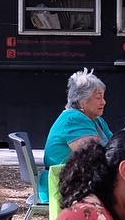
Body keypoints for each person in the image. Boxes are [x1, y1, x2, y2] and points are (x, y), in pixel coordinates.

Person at [42, 69, 114, 200]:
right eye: (98, 97)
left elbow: (114, 144)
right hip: (62, 187)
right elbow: (93, 157)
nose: (104, 102)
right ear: (82, 100)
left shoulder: (96, 119)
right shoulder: (74, 119)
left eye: (103, 97)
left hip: (81, 182)